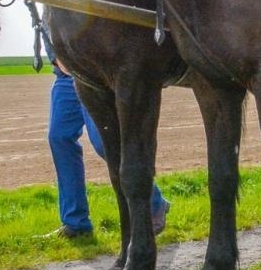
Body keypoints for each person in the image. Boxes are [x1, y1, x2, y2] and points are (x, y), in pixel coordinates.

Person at [46, 63, 170, 239]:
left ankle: (154, 202)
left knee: (103, 143)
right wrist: (56, 58)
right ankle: (75, 223)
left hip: (93, 78)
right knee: (59, 137)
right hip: (65, 78)